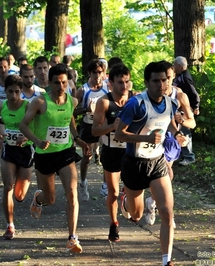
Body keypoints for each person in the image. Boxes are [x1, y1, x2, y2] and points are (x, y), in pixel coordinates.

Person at [115, 62, 188, 266]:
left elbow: (170, 124)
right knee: (136, 215)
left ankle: (166, 260)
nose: (161, 84)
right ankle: (126, 200)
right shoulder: (136, 104)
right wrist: (146, 139)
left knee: (166, 211)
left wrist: (178, 134)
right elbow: (120, 134)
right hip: (134, 163)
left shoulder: (172, 103)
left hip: (157, 162)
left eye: (164, 80)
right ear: (147, 82)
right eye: (156, 81)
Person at [19, 63, 90, 253]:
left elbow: (70, 119)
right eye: (57, 83)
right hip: (44, 155)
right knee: (50, 198)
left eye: (64, 82)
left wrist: (77, 139)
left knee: (72, 193)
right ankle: (38, 199)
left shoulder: (72, 101)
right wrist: (36, 141)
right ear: (49, 83)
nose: (61, 87)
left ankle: (72, 238)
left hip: (65, 153)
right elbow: (23, 125)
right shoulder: (40, 102)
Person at [144, 61, 196, 227]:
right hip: (153, 137)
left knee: (166, 174)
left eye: (167, 78)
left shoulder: (180, 96)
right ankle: (162, 209)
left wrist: (182, 122)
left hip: (172, 139)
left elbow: (192, 122)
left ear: (173, 78)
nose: (163, 83)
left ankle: (155, 203)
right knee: (165, 173)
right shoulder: (149, 94)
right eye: (161, 78)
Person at [0, 74, 33, 240]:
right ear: (5, 91)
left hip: (26, 151)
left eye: (17, 92)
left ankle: (35, 198)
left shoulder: (28, 106)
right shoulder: (0, 107)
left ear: (21, 91)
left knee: (20, 195)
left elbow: (36, 129)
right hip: (9, 150)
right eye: (10, 92)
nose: (14, 96)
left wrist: (26, 137)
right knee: (8, 187)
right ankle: (10, 226)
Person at [91, 64, 132, 242]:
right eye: (120, 82)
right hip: (111, 151)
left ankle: (126, 195)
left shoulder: (134, 99)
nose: (124, 86)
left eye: (127, 82)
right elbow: (94, 131)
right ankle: (114, 223)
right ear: (111, 83)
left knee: (132, 190)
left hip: (131, 150)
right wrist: (111, 127)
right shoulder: (104, 102)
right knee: (113, 192)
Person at [74, 59, 109, 201]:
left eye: (100, 72)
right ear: (89, 73)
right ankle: (83, 183)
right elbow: (72, 111)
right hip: (88, 125)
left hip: (103, 125)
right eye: (95, 73)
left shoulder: (108, 87)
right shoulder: (83, 90)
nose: (97, 75)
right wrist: (85, 109)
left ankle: (106, 185)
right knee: (87, 157)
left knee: (107, 154)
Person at [173, 56, 200, 166]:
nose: (173, 67)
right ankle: (181, 154)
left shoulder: (185, 77)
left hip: (185, 108)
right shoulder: (179, 76)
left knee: (185, 131)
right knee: (179, 131)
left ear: (179, 66)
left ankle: (189, 156)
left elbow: (194, 93)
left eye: (174, 65)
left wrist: (196, 106)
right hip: (178, 109)